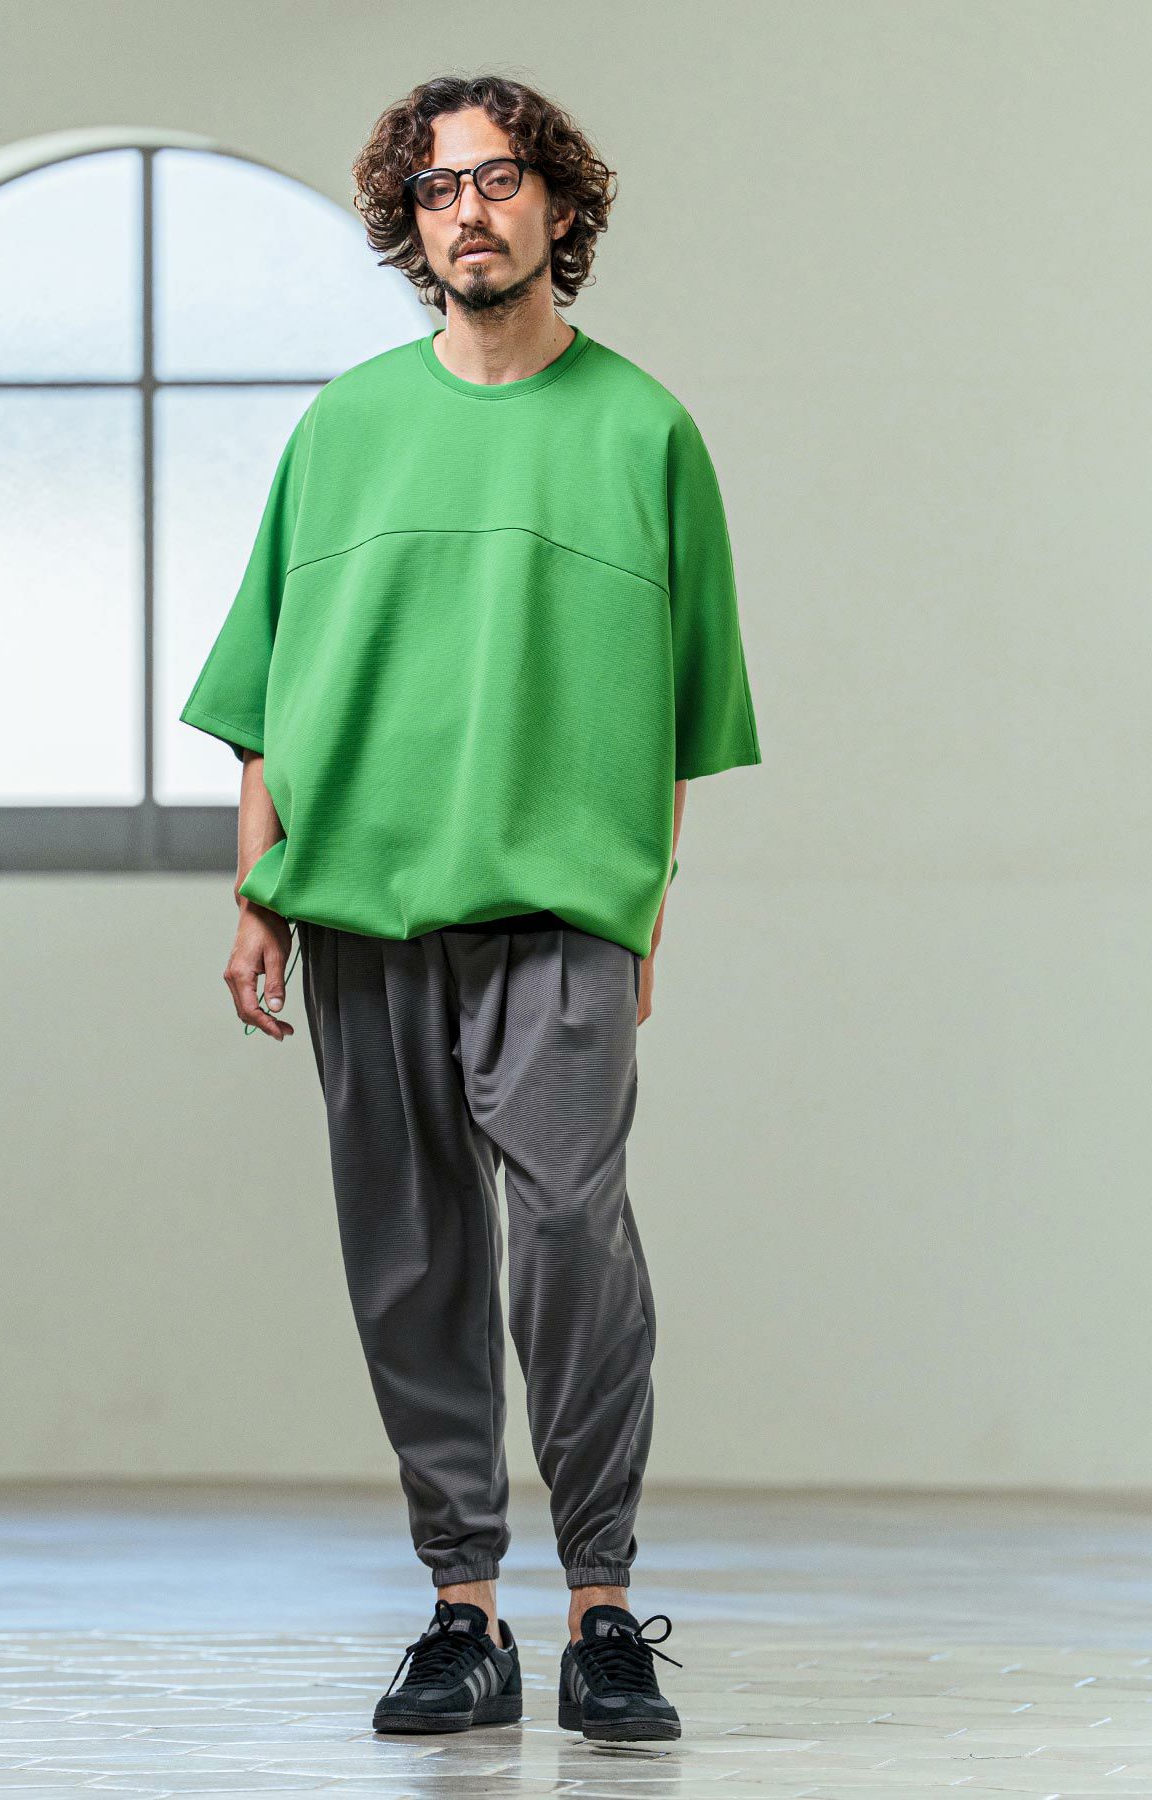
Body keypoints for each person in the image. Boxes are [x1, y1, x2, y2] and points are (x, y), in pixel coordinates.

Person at [179, 72, 761, 1744]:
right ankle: (462, 1611)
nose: (470, 213)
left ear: (559, 206)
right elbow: (268, 691)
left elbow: (677, 717)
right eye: (438, 189)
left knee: (573, 1235)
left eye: (500, 180)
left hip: (561, 912)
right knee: (410, 1257)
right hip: (359, 910)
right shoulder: (346, 429)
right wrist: (257, 891)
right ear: (409, 224)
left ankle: (602, 1610)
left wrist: (644, 913)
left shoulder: (645, 432)